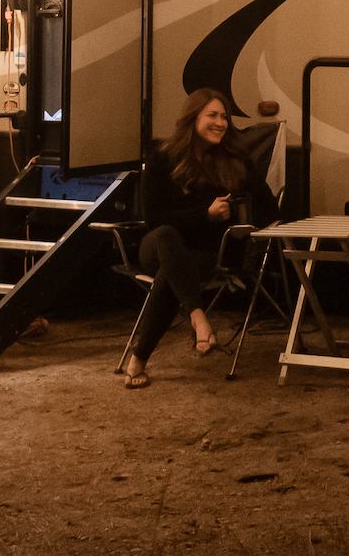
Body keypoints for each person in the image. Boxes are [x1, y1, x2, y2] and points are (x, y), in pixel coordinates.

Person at [117, 86, 276, 387]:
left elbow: (270, 208)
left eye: (224, 117)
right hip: (157, 246)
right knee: (167, 237)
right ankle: (199, 317)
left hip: (203, 255)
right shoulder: (162, 158)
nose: (220, 123)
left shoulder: (234, 160)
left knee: (172, 273)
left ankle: (138, 361)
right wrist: (206, 215)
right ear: (192, 118)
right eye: (212, 115)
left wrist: (245, 215)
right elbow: (153, 220)